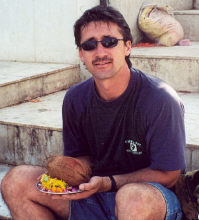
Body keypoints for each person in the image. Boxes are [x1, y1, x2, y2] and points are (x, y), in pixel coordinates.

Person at [1, 5, 186, 220]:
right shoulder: (75, 99)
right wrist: (72, 169)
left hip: (149, 200)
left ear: (127, 46)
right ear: (81, 54)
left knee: (132, 198)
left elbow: (170, 175)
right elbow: (81, 156)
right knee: (16, 181)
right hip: (93, 195)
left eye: (109, 42)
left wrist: (109, 183)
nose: (100, 52)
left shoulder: (160, 99)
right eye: (89, 45)